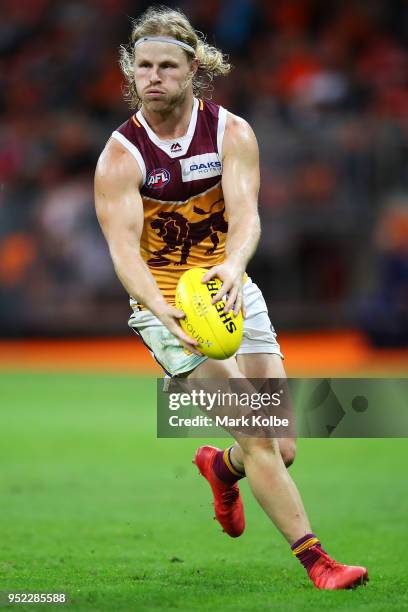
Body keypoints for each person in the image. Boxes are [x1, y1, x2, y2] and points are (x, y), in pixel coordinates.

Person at [94, 6, 368, 590]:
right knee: (258, 432)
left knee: (284, 446)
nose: (154, 77)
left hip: (229, 289)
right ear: (131, 70)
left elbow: (247, 217)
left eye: (168, 65)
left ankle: (219, 469)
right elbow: (124, 254)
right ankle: (319, 563)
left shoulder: (231, 133)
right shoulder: (121, 157)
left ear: (194, 67)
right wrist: (159, 308)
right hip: (167, 306)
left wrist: (235, 267)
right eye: (143, 66)